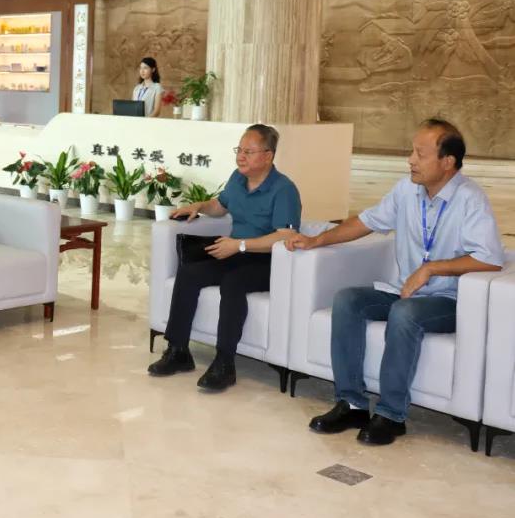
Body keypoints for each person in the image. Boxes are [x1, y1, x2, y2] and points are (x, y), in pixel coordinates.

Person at [287, 119, 503, 445]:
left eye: (420, 154)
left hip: (448, 300)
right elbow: (366, 221)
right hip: (403, 290)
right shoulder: (407, 190)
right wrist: (318, 240)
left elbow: (489, 259)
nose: (411, 160)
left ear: (447, 162)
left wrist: (432, 269)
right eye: (412, 152)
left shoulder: (470, 199)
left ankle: (391, 415)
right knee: (348, 301)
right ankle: (352, 403)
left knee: (405, 314)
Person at [148, 124, 301, 391]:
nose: (241, 156)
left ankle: (224, 363)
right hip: (236, 252)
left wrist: (240, 245)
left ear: (268, 156)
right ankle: (178, 350)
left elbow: (285, 236)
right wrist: (200, 206)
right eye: (239, 150)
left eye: (248, 152)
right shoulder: (238, 178)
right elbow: (220, 206)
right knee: (189, 271)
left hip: (268, 261)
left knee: (233, 282)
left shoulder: (284, 189)